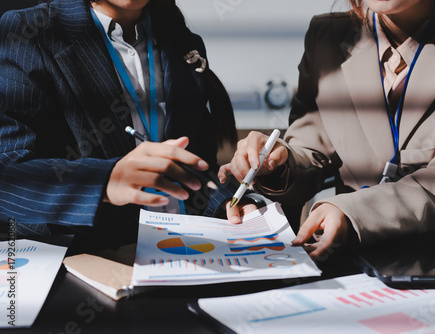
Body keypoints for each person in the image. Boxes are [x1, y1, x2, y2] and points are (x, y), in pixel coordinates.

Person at [219, 0, 435, 259]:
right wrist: (278, 162)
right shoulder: (328, 34)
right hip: (351, 258)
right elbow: (313, 147)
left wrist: (353, 212)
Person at [0, 0, 254, 245]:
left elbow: (195, 162)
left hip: (179, 248)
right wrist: (105, 182)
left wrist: (227, 202)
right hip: (79, 256)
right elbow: (9, 173)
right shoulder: (29, 30)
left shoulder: (182, 40)